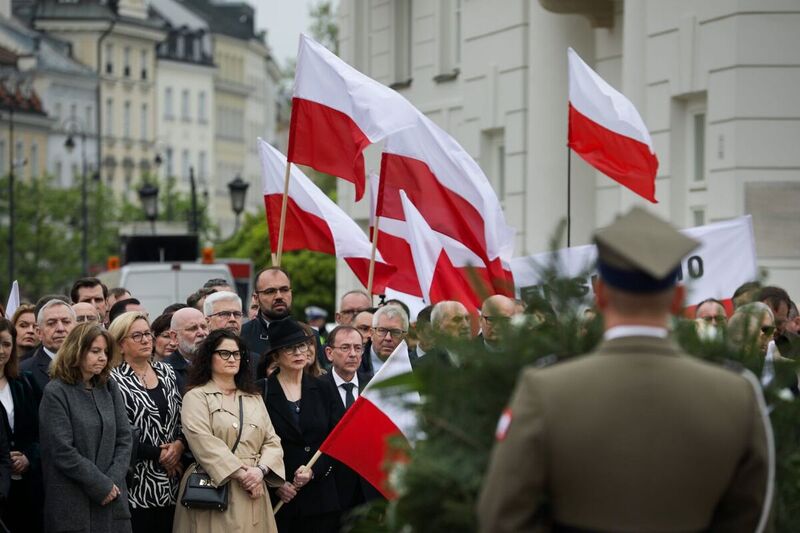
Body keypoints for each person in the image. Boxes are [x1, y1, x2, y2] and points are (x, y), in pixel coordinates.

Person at [478, 207, 772, 532]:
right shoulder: (736, 393)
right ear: (677, 299)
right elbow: (750, 516)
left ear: (601, 294)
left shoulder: (545, 389)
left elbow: (503, 516)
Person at [173, 329, 284, 533]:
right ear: (209, 357)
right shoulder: (196, 396)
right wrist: (243, 476)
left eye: (237, 353)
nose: (232, 358)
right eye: (224, 353)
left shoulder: (253, 397)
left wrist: (260, 471)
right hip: (214, 487)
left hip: (253, 489)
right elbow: (202, 443)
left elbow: (272, 441)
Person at [39, 322, 133, 533]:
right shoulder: (56, 392)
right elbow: (62, 450)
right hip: (74, 501)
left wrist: (112, 481)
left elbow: (125, 438)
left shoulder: (108, 386)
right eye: (95, 351)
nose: (103, 357)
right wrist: (100, 484)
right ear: (77, 351)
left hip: (113, 497)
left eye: (106, 352)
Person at [261, 319, 341, 532]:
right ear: (276, 356)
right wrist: (276, 483)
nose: (299, 352)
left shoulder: (324, 387)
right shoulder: (261, 391)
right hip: (281, 501)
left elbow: (336, 438)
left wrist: (314, 471)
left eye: (302, 346)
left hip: (321, 499)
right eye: (290, 348)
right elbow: (254, 443)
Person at [109, 312, 184, 533]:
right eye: (137, 336)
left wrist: (179, 445)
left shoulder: (168, 372)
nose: (145, 340)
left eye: (147, 334)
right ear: (121, 345)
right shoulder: (113, 379)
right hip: (137, 483)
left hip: (172, 481)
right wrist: (159, 454)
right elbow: (116, 432)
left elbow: (185, 418)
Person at [318, 326, 379, 516]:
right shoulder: (316, 387)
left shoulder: (374, 385)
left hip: (369, 490)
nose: (353, 354)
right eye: (345, 348)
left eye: (358, 348)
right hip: (331, 490)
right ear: (329, 353)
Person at [0, 318, 43, 532]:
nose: (1, 350)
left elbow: (43, 431)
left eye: (6, 344)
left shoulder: (24, 382)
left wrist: (29, 456)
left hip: (26, 487)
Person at [21, 298, 76, 395]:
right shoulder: (24, 372)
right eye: (51, 323)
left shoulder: (89, 365)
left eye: (66, 322)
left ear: (76, 328)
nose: (60, 328)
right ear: (38, 332)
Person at [166, 308, 209, 396]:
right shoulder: (165, 372)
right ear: (174, 337)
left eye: (204, 327)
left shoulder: (219, 362)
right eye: (192, 328)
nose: (201, 333)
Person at [359, 305, 410, 376]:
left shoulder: (416, 368)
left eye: (395, 332)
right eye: (382, 330)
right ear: (372, 334)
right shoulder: (354, 365)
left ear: (405, 336)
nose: (388, 338)